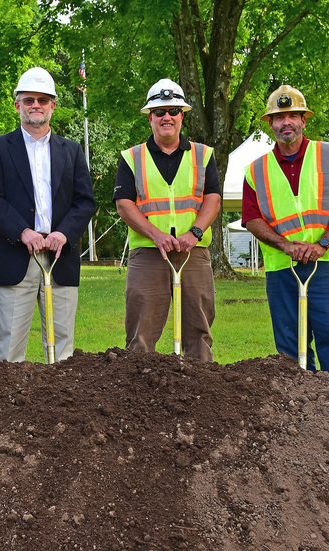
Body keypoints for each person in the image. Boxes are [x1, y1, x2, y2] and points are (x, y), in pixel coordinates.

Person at [243, 85, 329, 385]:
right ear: (270, 124)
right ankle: (298, 418)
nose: (286, 123)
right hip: (282, 267)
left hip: (326, 263)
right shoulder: (255, 170)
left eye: (293, 116)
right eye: (279, 118)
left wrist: (322, 244)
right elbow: (252, 219)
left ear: (304, 120)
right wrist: (285, 245)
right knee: (290, 348)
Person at [0, 67, 95, 362]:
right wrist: (22, 231)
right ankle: (6, 406)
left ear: (52, 106)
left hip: (60, 257)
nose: (36, 106)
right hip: (17, 255)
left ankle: (62, 407)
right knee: (8, 349)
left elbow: (85, 202)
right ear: (17, 105)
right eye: (29, 100)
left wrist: (63, 233)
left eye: (43, 100)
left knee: (62, 350)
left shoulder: (72, 150)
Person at [112, 78, 221, 360]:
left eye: (173, 111)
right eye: (159, 112)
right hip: (148, 253)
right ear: (150, 117)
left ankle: (202, 390)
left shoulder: (203, 154)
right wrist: (156, 235)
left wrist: (194, 233)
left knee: (198, 331)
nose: (167, 117)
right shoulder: (132, 157)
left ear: (182, 115)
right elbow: (124, 204)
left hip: (192, 252)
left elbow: (213, 199)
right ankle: (139, 393)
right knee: (141, 334)